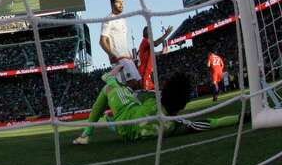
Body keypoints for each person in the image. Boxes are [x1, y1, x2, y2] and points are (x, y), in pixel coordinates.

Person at [73, 65, 237, 145]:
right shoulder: (174, 125)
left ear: (165, 91)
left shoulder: (154, 99)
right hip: (128, 134)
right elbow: (211, 123)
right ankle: (110, 121)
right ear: (183, 105)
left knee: (110, 87)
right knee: (126, 111)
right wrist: (240, 117)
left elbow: (137, 94)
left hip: (125, 112)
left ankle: (87, 133)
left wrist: (128, 90)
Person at [100, 0, 141, 89]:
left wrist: (131, 56)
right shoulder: (108, 20)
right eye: (118, 2)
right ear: (112, 4)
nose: (121, 4)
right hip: (119, 59)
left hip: (128, 58)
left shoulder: (123, 19)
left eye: (122, 2)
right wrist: (110, 54)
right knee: (131, 85)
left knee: (139, 84)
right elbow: (102, 41)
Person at [137, 25, 174, 90]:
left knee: (158, 94)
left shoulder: (144, 43)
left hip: (147, 75)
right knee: (149, 97)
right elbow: (156, 44)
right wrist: (166, 34)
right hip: (144, 75)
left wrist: (161, 52)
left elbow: (151, 54)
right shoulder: (145, 41)